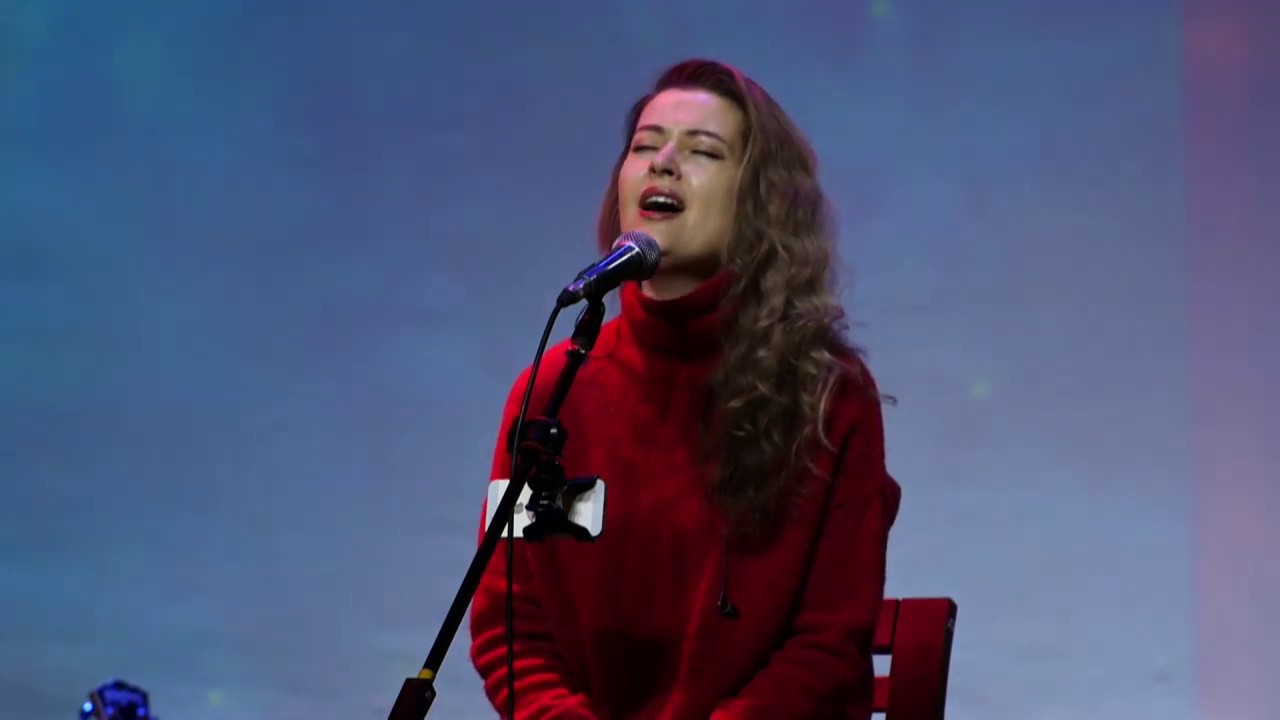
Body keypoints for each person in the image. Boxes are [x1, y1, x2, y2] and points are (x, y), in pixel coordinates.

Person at [469, 58, 901, 720]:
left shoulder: (828, 396)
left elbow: (827, 646)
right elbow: (511, 631)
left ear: (760, 202)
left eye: (702, 151)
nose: (663, 164)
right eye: (646, 146)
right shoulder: (556, 391)